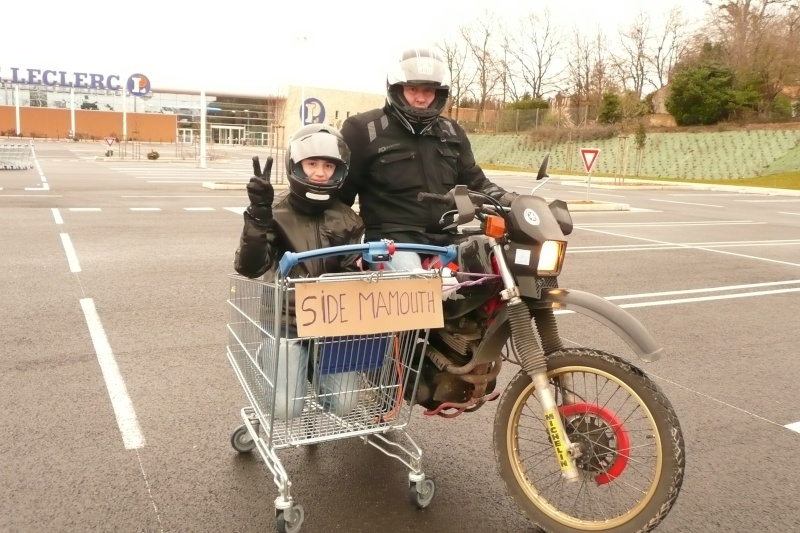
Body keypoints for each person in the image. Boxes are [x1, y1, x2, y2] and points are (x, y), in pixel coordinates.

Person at [339, 46, 519, 271]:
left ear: (439, 93)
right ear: (395, 88)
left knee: (497, 271)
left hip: (446, 239)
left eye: (428, 91)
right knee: (414, 284)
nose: (421, 98)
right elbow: (340, 198)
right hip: (392, 243)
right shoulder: (363, 130)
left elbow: (476, 182)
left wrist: (511, 201)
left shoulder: (452, 132)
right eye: (413, 89)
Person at [234, 124, 364, 421]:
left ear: (339, 171)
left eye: (328, 165)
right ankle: (274, 361)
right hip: (285, 320)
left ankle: (307, 366)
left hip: (331, 323)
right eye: (312, 163)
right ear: (296, 165)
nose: (320, 172)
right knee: (284, 409)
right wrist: (257, 217)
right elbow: (249, 267)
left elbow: (351, 272)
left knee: (344, 404)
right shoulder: (275, 211)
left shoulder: (349, 220)